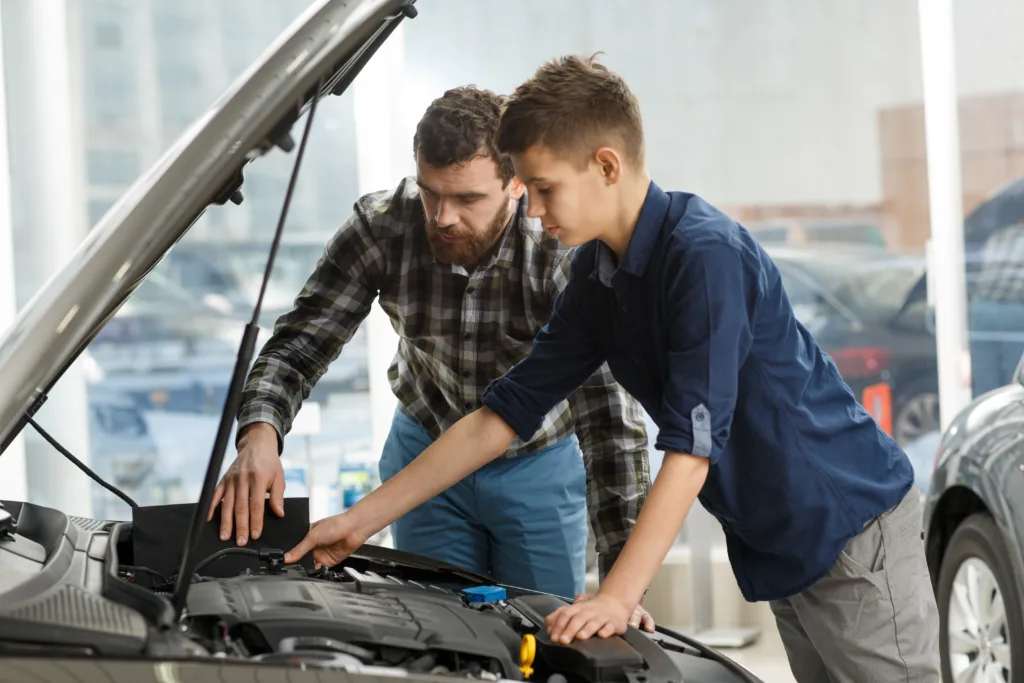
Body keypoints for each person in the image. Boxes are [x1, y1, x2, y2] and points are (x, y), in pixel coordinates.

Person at [282, 56, 941, 682]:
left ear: (605, 165)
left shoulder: (702, 256)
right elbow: (502, 413)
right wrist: (359, 521)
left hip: (849, 530)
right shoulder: (599, 275)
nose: (533, 211)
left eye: (543, 188)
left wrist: (618, 594)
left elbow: (691, 449)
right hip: (778, 540)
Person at [208, 86, 653, 623]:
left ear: (516, 184)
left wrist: (622, 590)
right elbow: (302, 342)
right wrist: (260, 434)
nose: (442, 217)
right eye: (430, 192)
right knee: (436, 632)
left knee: (541, 632)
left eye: (467, 199)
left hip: (536, 465)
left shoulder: (562, 252)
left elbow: (609, 424)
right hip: (424, 451)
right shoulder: (381, 228)